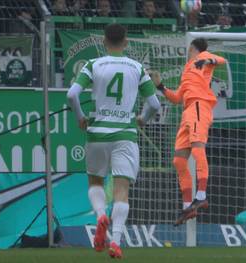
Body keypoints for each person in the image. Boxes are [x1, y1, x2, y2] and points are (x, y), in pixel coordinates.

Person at [66, 23, 160, 258]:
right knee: (122, 191)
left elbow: (72, 94)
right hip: (125, 134)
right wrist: (142, 119)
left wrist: (80, 117)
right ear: (126, 42)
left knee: (95, 182)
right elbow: (155, 104)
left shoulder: (94, 64)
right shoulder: (137, 67)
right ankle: (116, 241)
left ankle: (100, 216)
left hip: (97, 131)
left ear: (104, 42)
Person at [150, 38, 227, 226]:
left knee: (198, 148)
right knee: (178, 160)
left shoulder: (203, 56)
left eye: (188, 49)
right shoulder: (187, 70)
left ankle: (201, 195)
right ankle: (187, 206)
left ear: (192, 48)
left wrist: (207, 60)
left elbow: (222, 60)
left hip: (200, 106)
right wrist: (160, 87)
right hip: (188, 111)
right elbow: (177, 98)